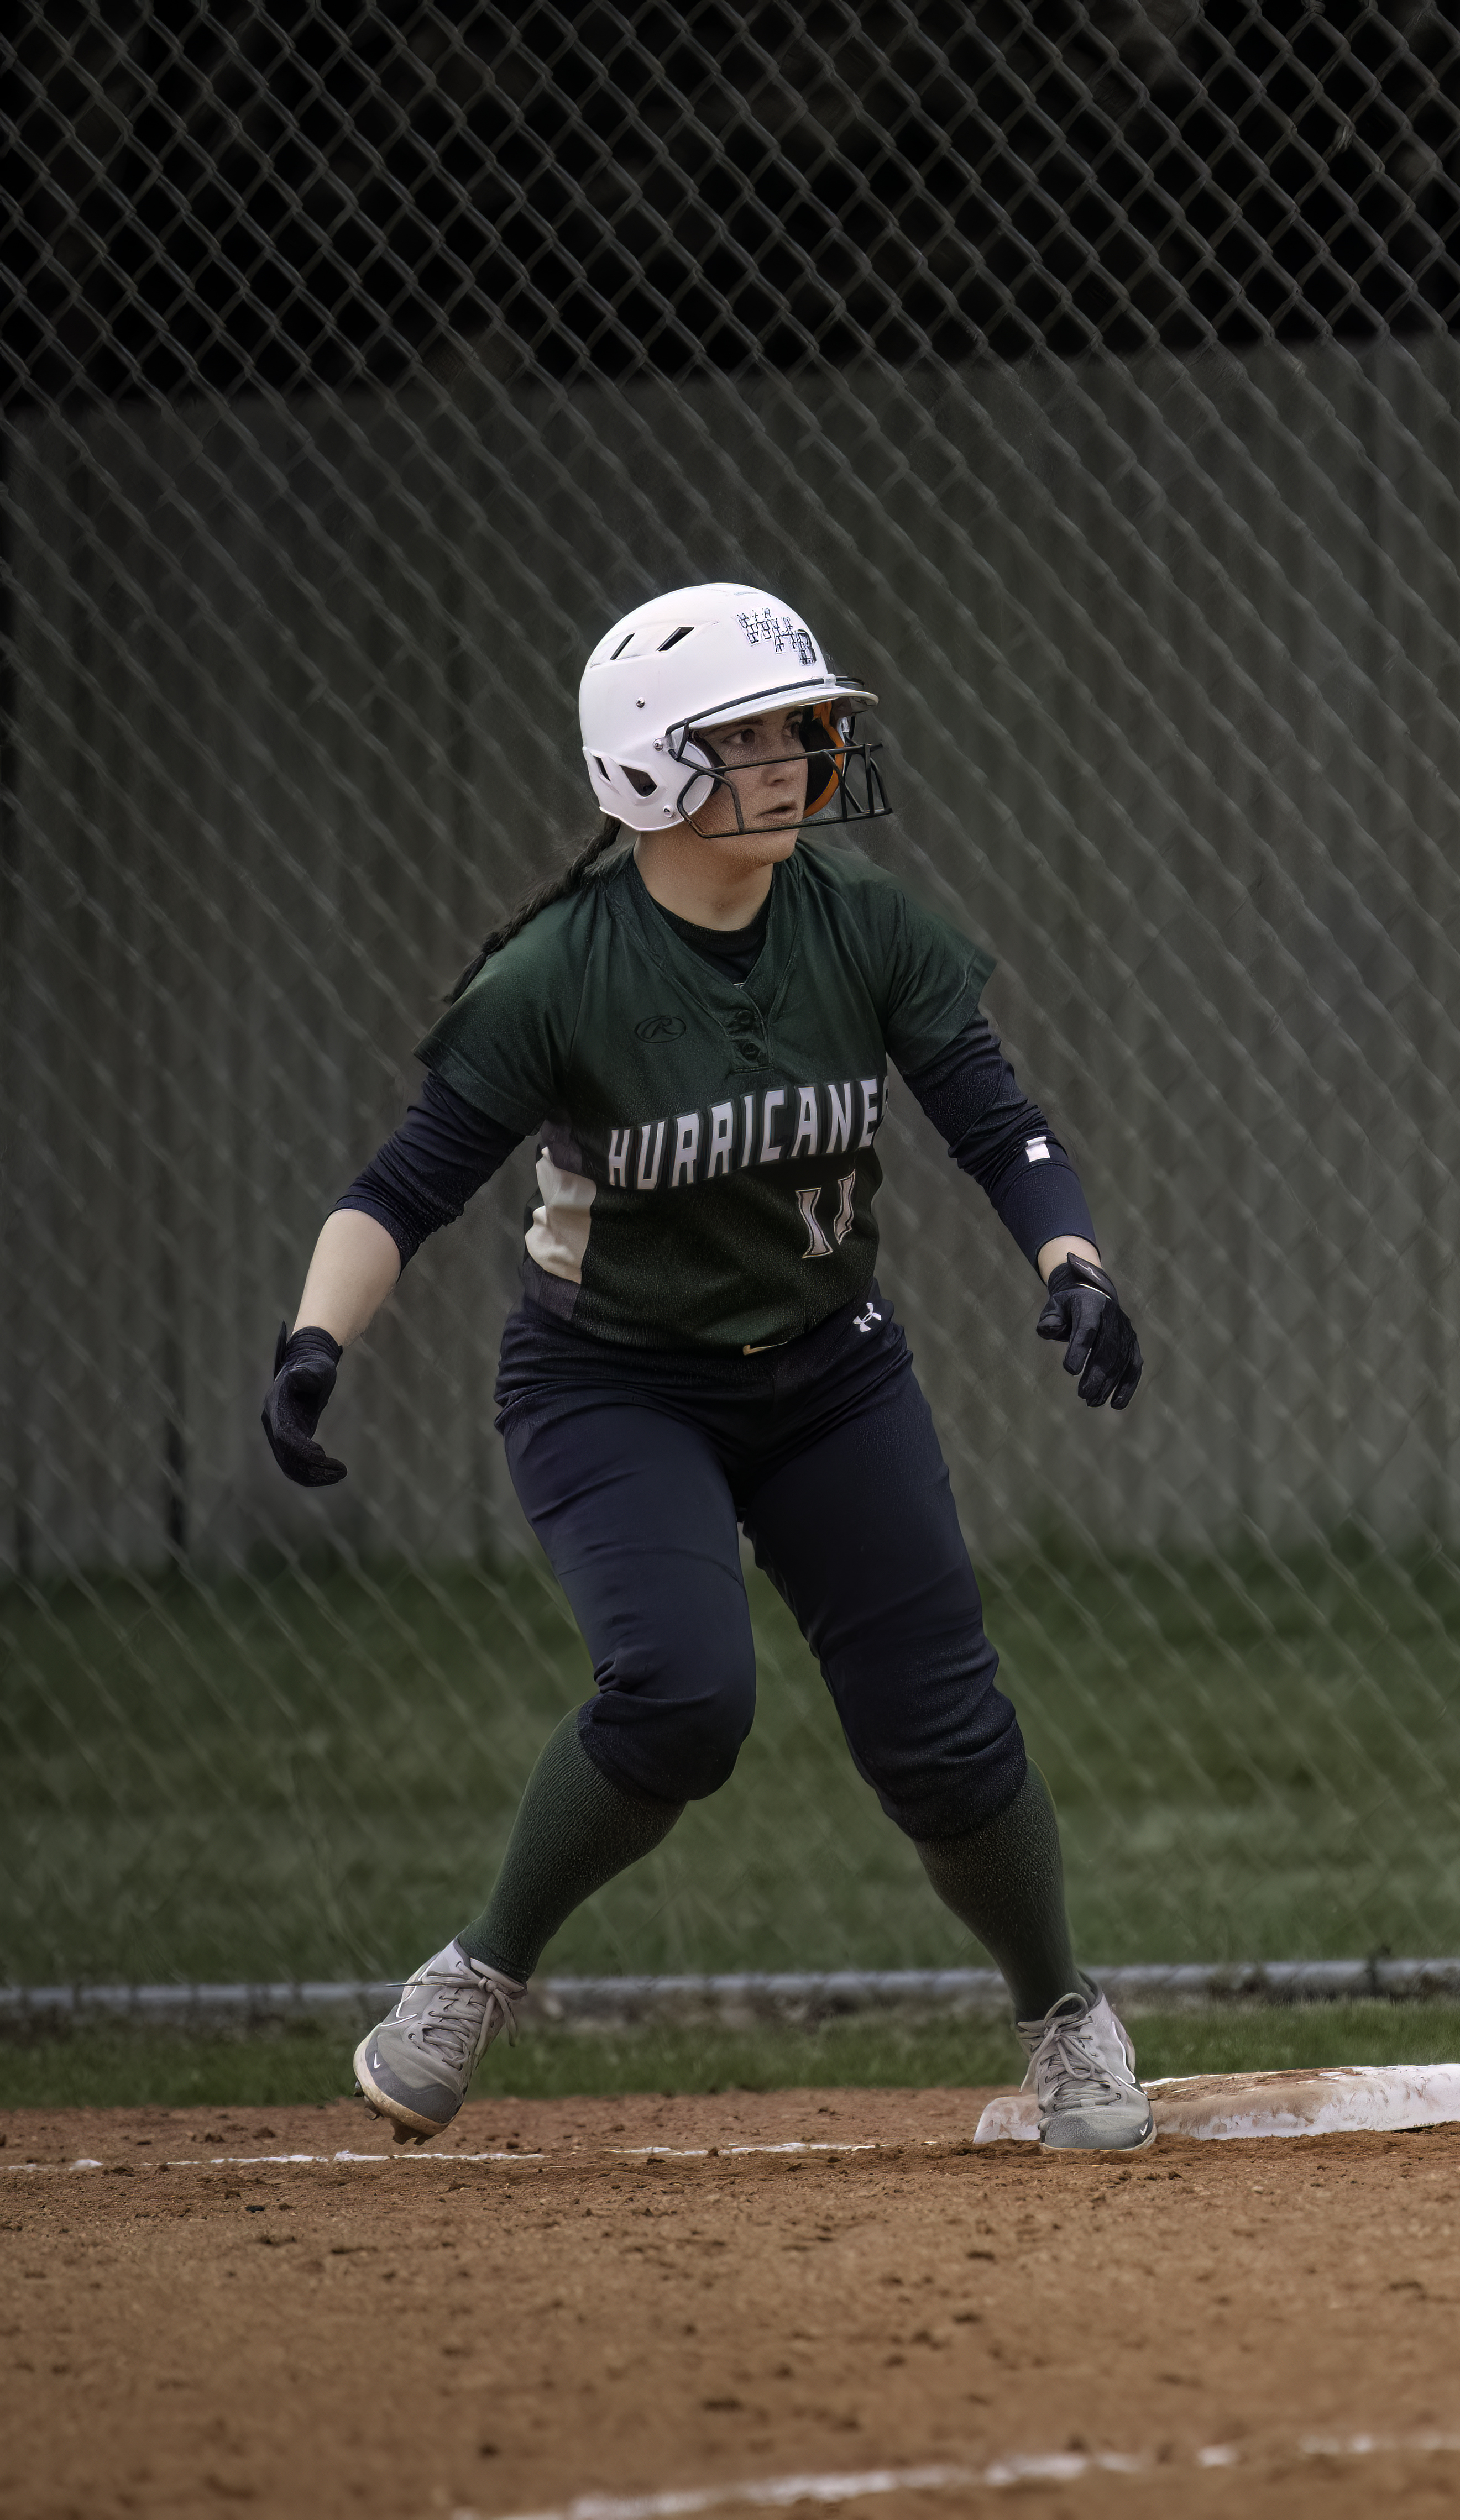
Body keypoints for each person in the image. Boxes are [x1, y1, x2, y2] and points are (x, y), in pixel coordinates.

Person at [260, 584, 1157, 2152]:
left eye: (807, 729)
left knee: (945, 1734)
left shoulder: (861, 918)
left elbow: (994, 1118)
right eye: (755, 736)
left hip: (829, 1373)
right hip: (613, 1384)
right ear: (649, 771)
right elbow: (401, 1188)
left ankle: (1064, 2016)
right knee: (680, 1695)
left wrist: (1071, 1265)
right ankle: (478, 1973)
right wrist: (315, 1341)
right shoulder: (559, 975)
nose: (803, 758)